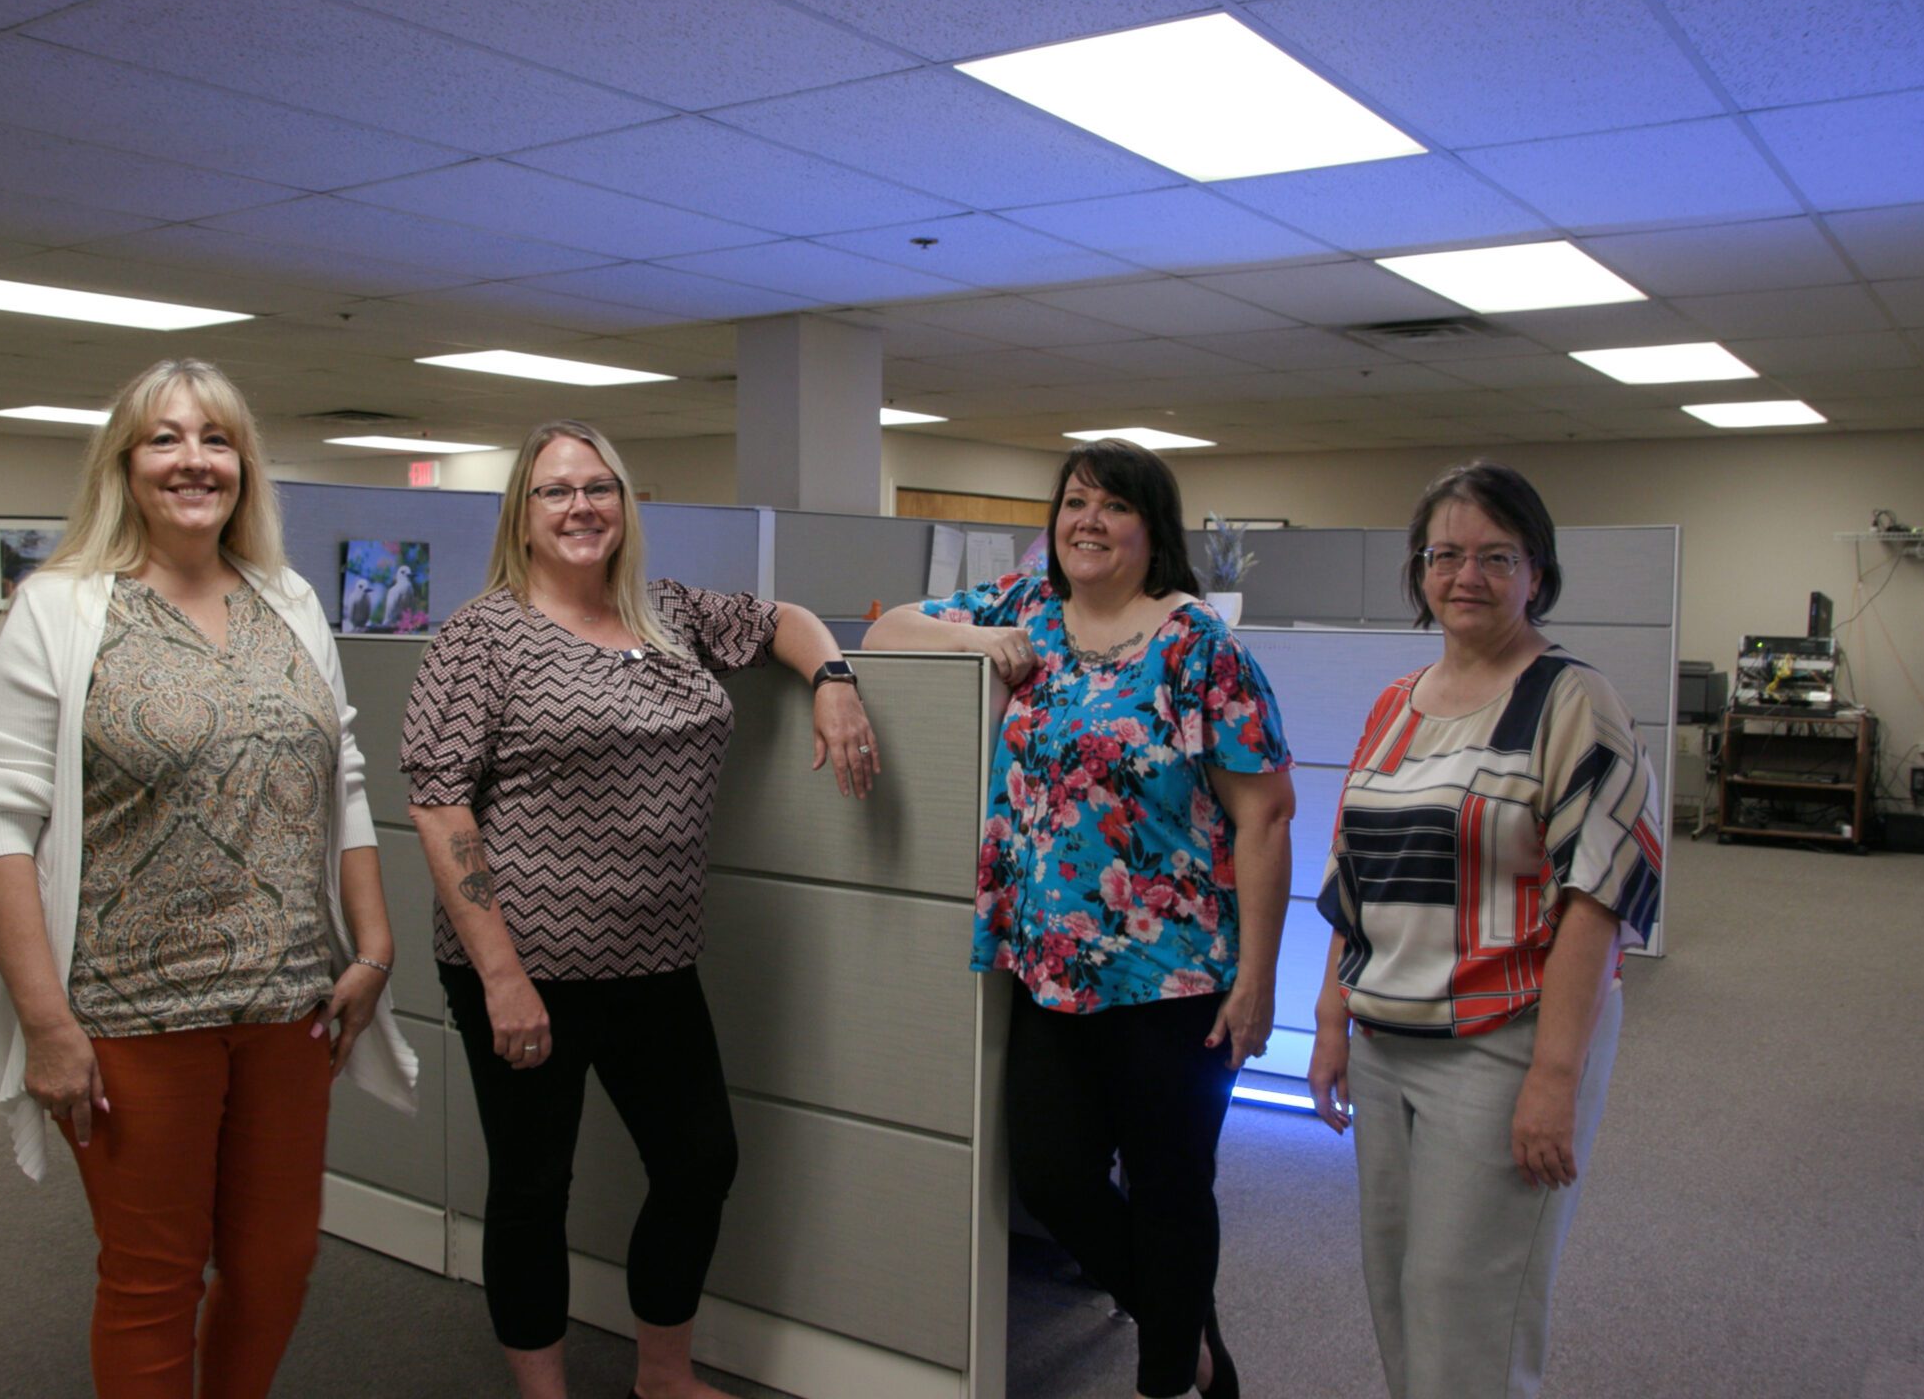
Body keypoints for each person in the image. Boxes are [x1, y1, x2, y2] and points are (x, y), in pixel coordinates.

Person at [0, 357, 418, 1398]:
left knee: (276, 1262)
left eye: (216, 438)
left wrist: (374, 946)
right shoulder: (65, 609)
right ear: (125, 464)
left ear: (244, 466)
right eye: (165, 438)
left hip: (289, 1006)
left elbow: (339, 773)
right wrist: (46, 1023)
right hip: (131, 1010)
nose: (192, 459)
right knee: (152, 1279)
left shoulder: (287, 599)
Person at [399, 419, 878, 1399]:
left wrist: (833, 680)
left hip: (653, 958)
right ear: (521, 518)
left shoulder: (668, 613)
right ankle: (545, 1393)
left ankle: (661, 1375)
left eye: (599, 487)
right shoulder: (480, 635)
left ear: (625, 502)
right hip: (519, 964)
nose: (580, 507)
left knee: (699, 1164)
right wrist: (501, 978)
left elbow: (784, 620)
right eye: (556, 492)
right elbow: (438, 799)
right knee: (533, 1188)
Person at [863, 437, 1296, 1399]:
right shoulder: (1026, 613)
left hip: (1175, 976)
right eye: (1072, 504)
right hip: (1048, 966)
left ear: (1153, 528)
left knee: (1171, 1185)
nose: (1086, 522)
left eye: (1112, 506)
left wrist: (1258, 980)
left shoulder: (1199, 650)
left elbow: (1264, 816)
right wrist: (980, 644)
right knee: (1052, 1178)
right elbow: (890, 628)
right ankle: (1188, 1340)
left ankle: (1172, 1380)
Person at [1307, 460, 1661, 1399]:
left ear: (1535, 571)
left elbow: (1602, 896)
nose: (1468, 576)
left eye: (1495, 557)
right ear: (1420, 572)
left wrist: (1557, 1077)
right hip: (1386, 1039)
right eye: (1446, 555)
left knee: (1470, 1307)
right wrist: (1332, 1022)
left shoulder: (1575, 702)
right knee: (1397, 1288)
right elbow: (1354, 878)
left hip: (1504, 1043)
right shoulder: (1396, 703)